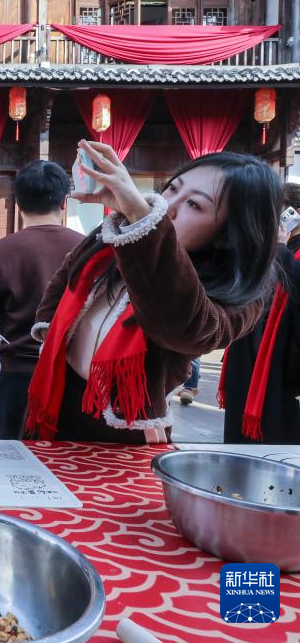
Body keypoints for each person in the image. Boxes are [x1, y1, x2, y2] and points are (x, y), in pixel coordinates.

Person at [25, 143, 281, 443]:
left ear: (229, 234)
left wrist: (142, 219)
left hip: (125, 428)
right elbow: (68, 272)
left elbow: (185, 329)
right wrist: (49, 331)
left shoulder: (239, 295)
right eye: (172, 188)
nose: (168, 206)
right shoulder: (120, 234)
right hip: (55, 396)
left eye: (194, 204)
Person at [0, 161, 84, 438]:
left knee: (12, 456)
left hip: (16, 375)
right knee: (68, 456)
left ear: (19, 202)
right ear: (64, 202)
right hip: (75, 374)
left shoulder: (2, 251)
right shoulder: (85, 249)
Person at [218, 182, 300, 444]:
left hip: (279, 369)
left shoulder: (287, 252)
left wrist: (279, 251)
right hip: (248, 356)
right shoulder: (267, 249)